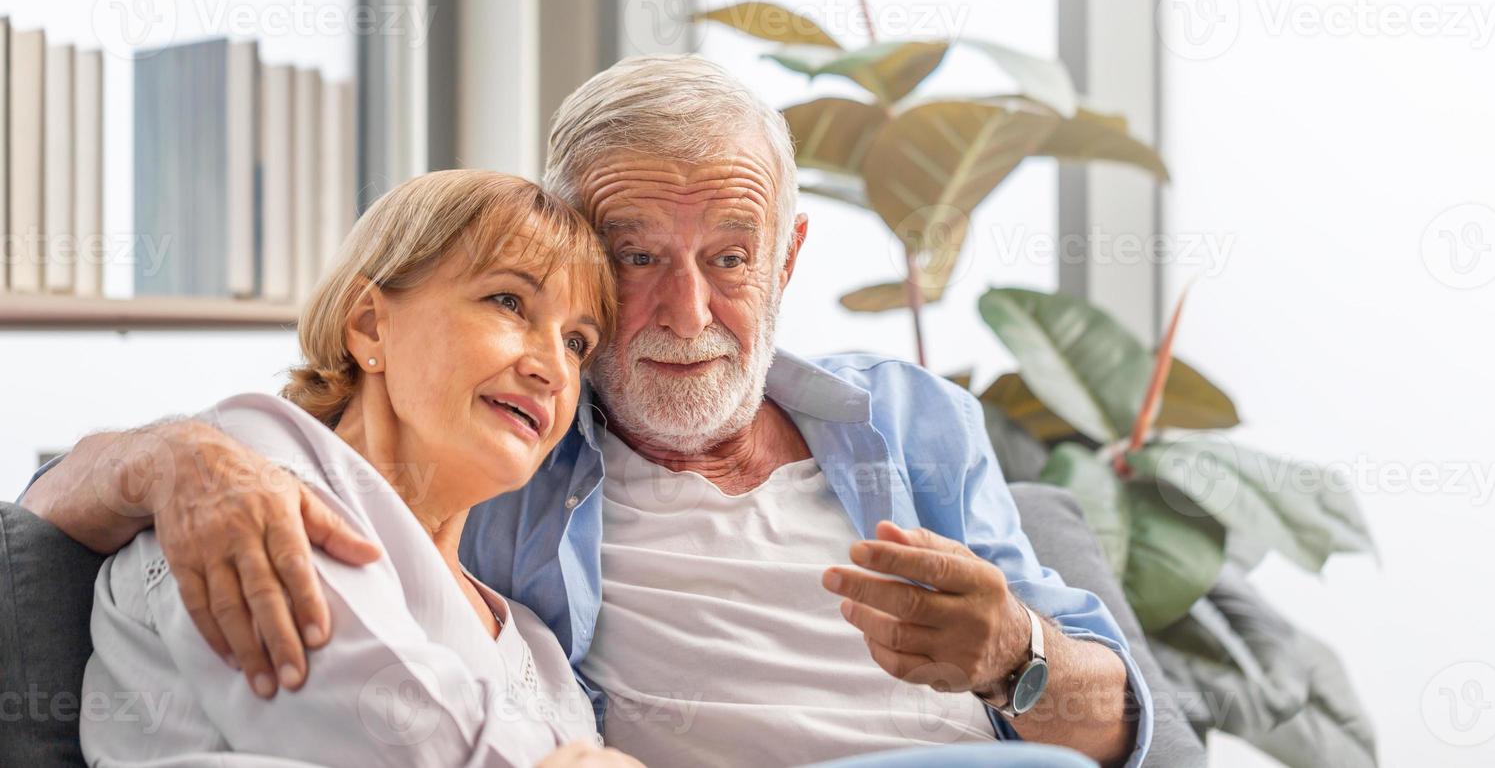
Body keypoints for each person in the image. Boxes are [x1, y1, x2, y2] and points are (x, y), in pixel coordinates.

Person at [26, 56, 1153, 768]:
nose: (685, 308)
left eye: (729, 256)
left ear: (788, 257)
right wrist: (176, 453)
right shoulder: (490, 449)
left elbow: (1119, 727)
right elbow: (59, 515)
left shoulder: (915, 424)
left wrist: (1017, 657)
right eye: (631, 260)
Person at [72, 170, 641, 767]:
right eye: (509, 302)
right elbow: (383, 725)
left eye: (578, 342)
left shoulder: (538, 648)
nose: (554, 368)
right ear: (371, 324)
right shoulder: (247, 469)